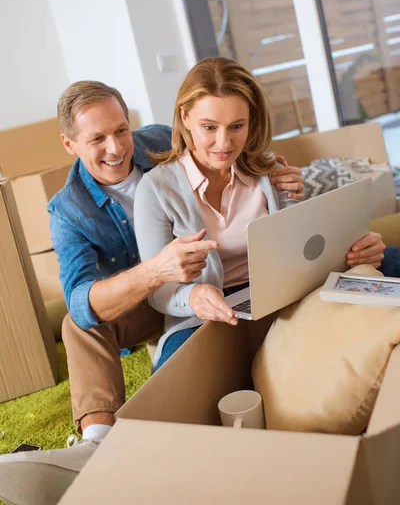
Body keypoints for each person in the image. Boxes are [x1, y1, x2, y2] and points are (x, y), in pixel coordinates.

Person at [0, 78, 306, 505]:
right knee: (78, 324)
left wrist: (277, 175)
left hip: (198, 287)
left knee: (183, 384)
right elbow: (81, 301)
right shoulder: (69, 211)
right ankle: (97, 444)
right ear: (69, 145)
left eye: (121, 130)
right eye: (97, 139)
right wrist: (153, 272)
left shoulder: (164, 141)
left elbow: (229, 152)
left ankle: (143, 454)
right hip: (139, 296)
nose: (116, 148)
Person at [133, 57, 386, 371]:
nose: (224, 143)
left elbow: (307, 249)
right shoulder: (155, 189)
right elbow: (158, 291)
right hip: (208, 312)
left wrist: (358, 247)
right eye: (209, 127)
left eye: (237, 126)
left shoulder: (271, 171)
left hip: (285, 294)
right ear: (185, 117)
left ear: (251, 121)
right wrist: (193, 296)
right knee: (169, 384)